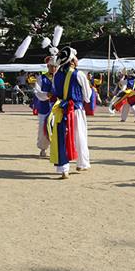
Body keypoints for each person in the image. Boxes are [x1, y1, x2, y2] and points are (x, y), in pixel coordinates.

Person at [50, 47, 92, 179]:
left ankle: (64, 169)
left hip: (61, 109)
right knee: (79, 136)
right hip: (75, 109)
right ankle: (82, 163)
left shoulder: (57, 75)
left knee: (62, 137)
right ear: (72, 60)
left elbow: (55, 92)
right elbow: (87, 96)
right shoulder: (78, 74)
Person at [33, 57, 57, 157]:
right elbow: (36, 91)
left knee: (57, 129)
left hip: (57, 108)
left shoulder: (61, 78)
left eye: (55, 66)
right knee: (43, 129)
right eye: (52, 66)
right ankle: (43, 148)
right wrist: (47, 95)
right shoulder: (41, 78)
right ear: (48, 66)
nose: (54, 68)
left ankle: (56, 149)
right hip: (45, 107)